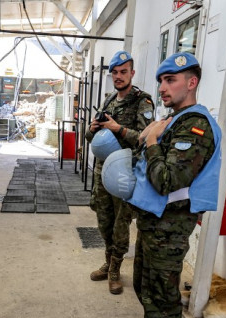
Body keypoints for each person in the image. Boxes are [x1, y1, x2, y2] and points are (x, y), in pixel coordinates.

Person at [112, 52, 222, 318]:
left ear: (192, 83)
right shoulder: (174, 120)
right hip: (153, 221)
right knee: (146, 285)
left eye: (170, 80)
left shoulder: (196, 126)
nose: (162, 87)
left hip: (170, 228)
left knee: (163, 295)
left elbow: (168, 180)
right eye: (161, 80)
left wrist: (153, 143)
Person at [85, 50, 154, 294]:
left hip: (124, 173)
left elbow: (146, 139)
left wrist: (118, 129)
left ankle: (115, 270)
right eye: (114, 72)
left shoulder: (142, 101)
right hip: (103, 171)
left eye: (123, 72)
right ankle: (107, 261)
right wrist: (92, 128)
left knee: (120, 224)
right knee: (104, 220)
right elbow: (89, 137)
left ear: (132, 73)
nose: (118, 76)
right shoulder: (109, 101)